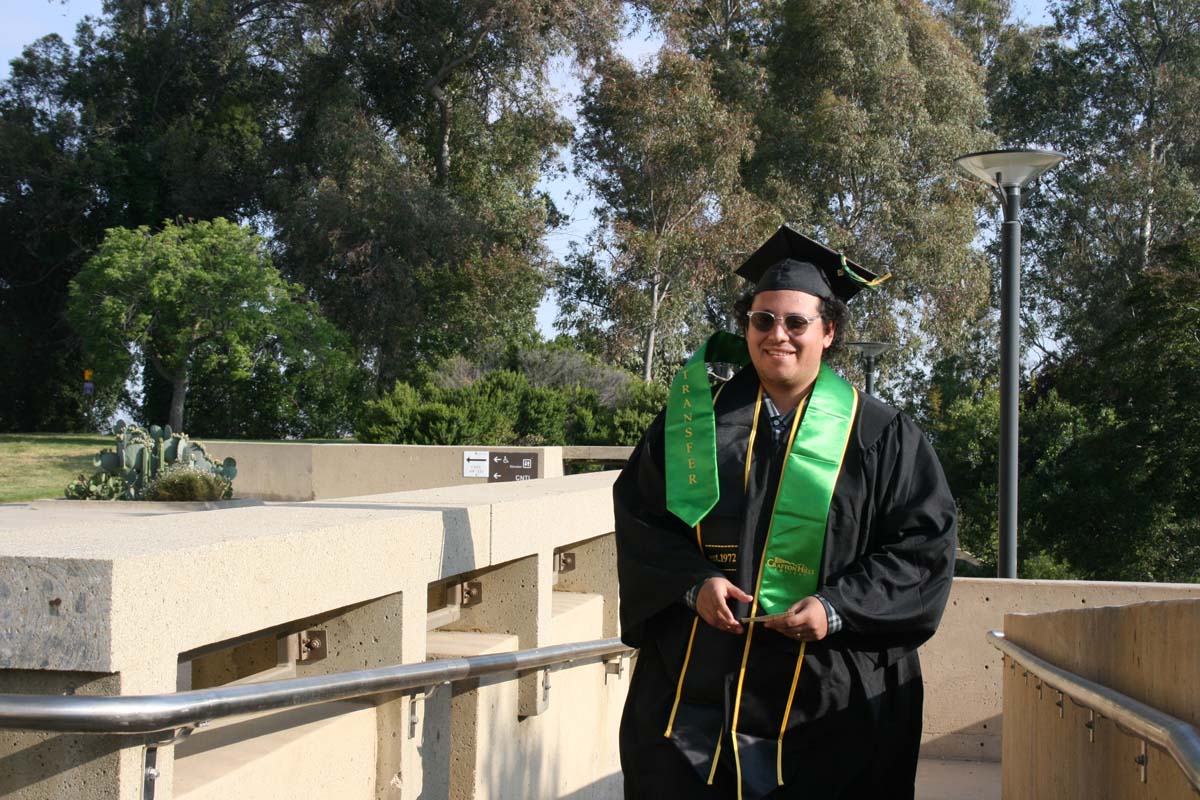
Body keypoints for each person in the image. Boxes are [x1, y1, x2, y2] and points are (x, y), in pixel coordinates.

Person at [614, 225, 958, 800]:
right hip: (699, 696)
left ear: (828, 331)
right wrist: (692, 584)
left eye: (796, 322)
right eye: (762, 320)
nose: (779, 335)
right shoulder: (693, 426)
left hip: (829, 706)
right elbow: (642, 520)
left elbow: (922, 550)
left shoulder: (880, 436)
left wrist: (835, 607)